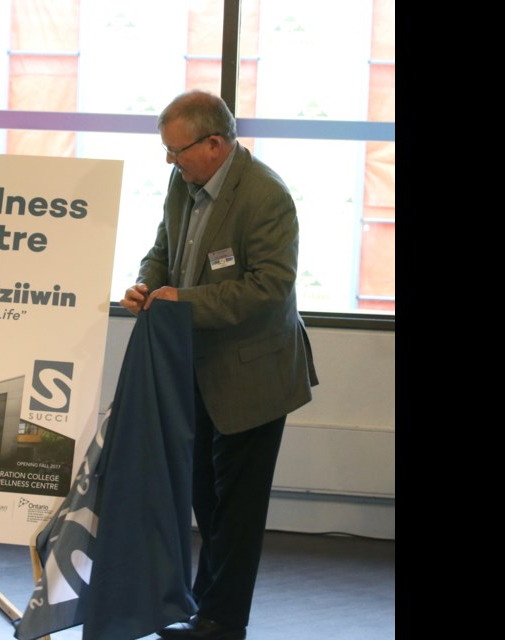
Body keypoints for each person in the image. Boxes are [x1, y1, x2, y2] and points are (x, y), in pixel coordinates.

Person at [120, 90, 318, 640]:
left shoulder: (265, 196)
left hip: (255, 375)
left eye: (177, 150)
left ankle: (223, 622)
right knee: (206, 498)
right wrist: (147, 283)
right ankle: (206, 608)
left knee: (237, 511)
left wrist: (180, 302)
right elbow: (163, 249)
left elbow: (269, 288)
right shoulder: (183, 184)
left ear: (215, 142)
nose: (169, 161)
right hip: (198, 370)